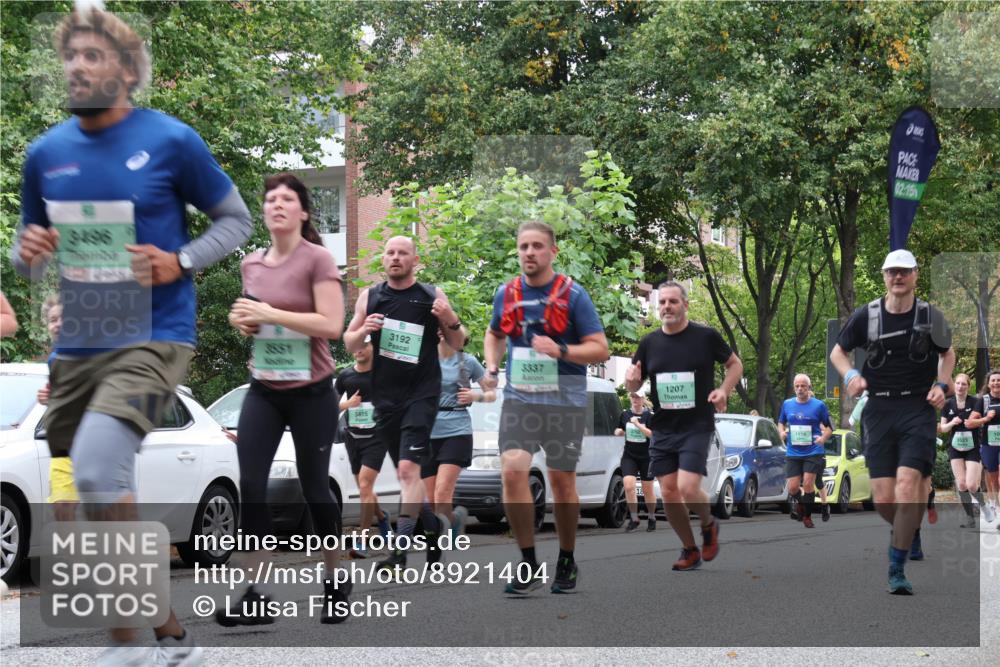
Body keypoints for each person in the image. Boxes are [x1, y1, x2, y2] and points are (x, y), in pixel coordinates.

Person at [11, 4, 251, 663]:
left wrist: (181, 259)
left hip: (154, 335)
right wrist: (25, 249)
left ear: (126, 68)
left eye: (93, 56)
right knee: (101, 486)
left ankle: (127, 646)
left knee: (94, 469)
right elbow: (26, 248)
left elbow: (235, 221)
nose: (78, 67)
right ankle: (169, 635)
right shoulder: (45, 153)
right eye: (71, 57)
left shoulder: (172, 140)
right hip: (79, 347)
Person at [216, 173, 348, 625]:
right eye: (270, 198)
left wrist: (270, 312)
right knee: (251, 486)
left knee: (314, 489)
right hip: (265, 387)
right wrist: (246, 321)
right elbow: (257, 317)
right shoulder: (251, 263)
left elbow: (332, 325)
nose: (277, 205)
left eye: (287, 199)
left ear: (303, 212)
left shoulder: (318, 259)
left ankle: (335, 576)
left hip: (312, 390)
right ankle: (257, 592)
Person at [484, 221, 609, 595]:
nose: (529, 253)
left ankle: (567, 557)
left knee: (561, 481)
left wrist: (562, 350)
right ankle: (528, 562)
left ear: (553, 251)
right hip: (520, 398)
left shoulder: (574, 295)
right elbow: (494, 333)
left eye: (537, 246)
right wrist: (491, 366)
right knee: (512, 471)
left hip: (565, 400)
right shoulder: (506, 293)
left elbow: (599, 348)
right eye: (523, 246)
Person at [830, 249, 954, 595]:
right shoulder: (866, 316)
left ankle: (896, 568)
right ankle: (908, 527)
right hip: (879, 410)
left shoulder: (930, 316)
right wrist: (851, 373)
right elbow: (838, 352)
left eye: (904, 272)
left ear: (915, 275)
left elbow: (948, 354)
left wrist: (942, 385)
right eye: (891, 272)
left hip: (917, 407)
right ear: (884, 277)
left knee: (906, 485)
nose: (897, 278)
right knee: (885, 499)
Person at [343, 236, 467, 572]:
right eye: (390, 253)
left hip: (421, 395)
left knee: (407, 471)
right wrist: (362, 331)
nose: (396, 258)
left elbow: (458, 341)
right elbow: (348, 340)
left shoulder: (431, 295)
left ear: (415, 260)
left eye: (403, 253)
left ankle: (400, 548)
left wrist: (450, 316)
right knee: (407, 477)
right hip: (385, 398)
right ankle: (435, 529)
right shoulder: (371, 297)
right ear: (383, 259)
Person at [625, 281, 743, 571]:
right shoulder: (649, 343)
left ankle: (707, 525)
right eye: (662, 302)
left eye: (672, 302)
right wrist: (630, 381)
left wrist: (724, 390)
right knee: (668, 492)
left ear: (685, 305)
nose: (666, 307)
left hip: (697, 425)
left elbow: (735, 365)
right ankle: (690, 549)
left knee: (688, 487)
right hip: (664, 427)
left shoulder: (705, 336)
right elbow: (635, 383)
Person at [423, 326, 495, 540]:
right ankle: (454, 521)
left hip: (456, 430)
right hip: (426, 431)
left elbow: (490, 393)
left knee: (442, 492)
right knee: (429, 498)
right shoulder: (424, 360)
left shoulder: (468, 362)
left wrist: (475, 397)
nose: (441, 333)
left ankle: (437, 544)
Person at [335, 335, 392, 558]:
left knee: (366, 485)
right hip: (353, 437)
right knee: (364, 489)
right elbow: (331, 405)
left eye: (365, 345)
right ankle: (383, 517)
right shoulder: (346, 376)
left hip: (377, 437)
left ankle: (362, 541)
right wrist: (347, 405)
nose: (359, 349)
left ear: (373, 347)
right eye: (356, 346)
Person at [777, 374, 834, 527]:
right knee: (793, 487)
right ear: (794, 387)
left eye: (803, 386)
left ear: (809, 388)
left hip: (813, 451)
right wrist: (781, 432)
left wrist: (823, 439)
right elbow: (780, 423)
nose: (800, 389)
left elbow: (830, 428)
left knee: (809, 484)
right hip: (793, 452)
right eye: (797, 386)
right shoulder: (787, 404)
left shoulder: (819, 405)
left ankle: (807, 516)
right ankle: (802, 507)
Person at [939, 373, 988, 528]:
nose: (960, 387)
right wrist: (953, 422)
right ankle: (970, 517)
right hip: (955, 447)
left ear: (968, 386)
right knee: (961, 484)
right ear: (954, 386)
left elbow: (984, 421)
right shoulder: (948, 404)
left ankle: (984, 507)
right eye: (958, 384)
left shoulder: (976, 402)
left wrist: (973, 423)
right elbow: (943, 429)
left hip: (972, 446)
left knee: (972, 485)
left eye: (963, 384)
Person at [614, 389, 656, 532]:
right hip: (629, 455)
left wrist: (638, 424)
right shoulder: (625, 414)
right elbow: (619, 429)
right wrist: (618, 432)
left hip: (646, 457)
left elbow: (652, 435)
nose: (635, 400)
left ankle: (651, 517)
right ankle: (634, 518)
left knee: (647, 489)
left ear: (643, 399)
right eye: (632, 397)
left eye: (637, 397)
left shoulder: (649, 416)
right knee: (629, 486)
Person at [972, 370, 1000, 524]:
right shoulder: (984, 400)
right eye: (993, 380)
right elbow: (970, 422)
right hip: (988, 444)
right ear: (989, 384)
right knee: (994, 481)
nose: (996, 383)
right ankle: (995, 506)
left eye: (999, 380)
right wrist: (985, 418)